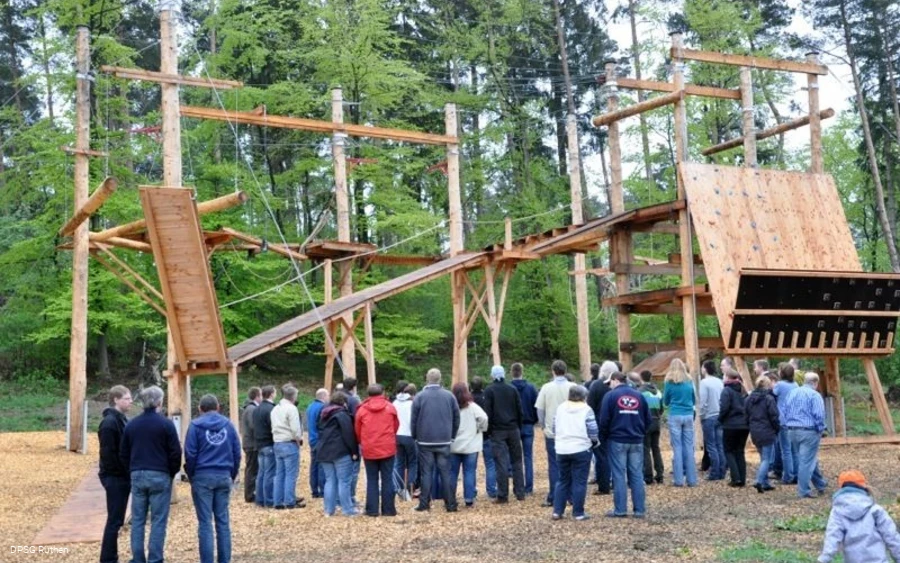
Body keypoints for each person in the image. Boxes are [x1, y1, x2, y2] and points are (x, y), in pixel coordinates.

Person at [119, 386, 181, 563]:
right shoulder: (166, 424)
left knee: (137, 519)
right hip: (160, 474)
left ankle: (138, 558)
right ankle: (155, 558)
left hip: (138, 473)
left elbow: (123, 453)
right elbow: (175, 452)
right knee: (158, 520)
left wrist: (131, 469)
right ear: (159, 402)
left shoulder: (132, 424)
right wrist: (171, 472)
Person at [184, 394, 241, 563]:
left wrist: (192, 475)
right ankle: (225, 560)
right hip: (223, 474)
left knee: (205, 523)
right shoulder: (228, 425)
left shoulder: (195, 426)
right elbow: (237, 452)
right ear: (218, 407)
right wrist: (231, 473)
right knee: (223, 521)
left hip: (202, 475)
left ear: (200, 409)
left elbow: (190, 453)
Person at [818, 470, 900, 563]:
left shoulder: (837, 512)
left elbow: (832, 537)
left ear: (841, 488)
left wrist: (824, 558)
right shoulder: (875, 509)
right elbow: (891, 536)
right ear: (863, 486)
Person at [600, 371, 651, 518]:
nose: (610, 385)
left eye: (610, 382)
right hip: (636, 440)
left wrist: (603, 438)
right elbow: (648, 419)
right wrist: (640, 432)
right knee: (636, 475)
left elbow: (604, 420)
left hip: (617, 440)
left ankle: (620, 509)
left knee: (619, 475)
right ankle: (639, 510)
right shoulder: (639, 395)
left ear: (616, 380)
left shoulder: (610, 396)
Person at [411, 368, 460, 512]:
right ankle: (450, 504)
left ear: (427, 379)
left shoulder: (420, 396)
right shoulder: (449, 396)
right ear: (440, 379)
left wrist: (415, 436)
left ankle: (424, 503)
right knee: (445, 472)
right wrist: (452, 435)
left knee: (426, 472)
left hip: (425, 440)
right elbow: (457, 417)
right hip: (444, 439)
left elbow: (413, 420)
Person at [550, 385, 598, 521]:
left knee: (562, 480)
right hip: (581, 448)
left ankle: (557, 511)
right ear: (584, 396)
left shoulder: (560, 408)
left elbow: (554, 428)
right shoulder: (586, 409)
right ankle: (578, 512)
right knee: (579, 481)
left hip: (562, 448)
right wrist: (594, 442)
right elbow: (593, 430)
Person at [98, 385, 132, 563]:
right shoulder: (110, 423)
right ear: (116, 400)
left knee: (116, 519)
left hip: (120, 476)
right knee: (114, 520)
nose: (130, 401)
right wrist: (122, 472)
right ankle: (108, 558)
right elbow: (108, 453)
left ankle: (110, 556)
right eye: (127, 398)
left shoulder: (121, 420)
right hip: (115, 477)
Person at [355, 384, 400, 517]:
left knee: (372, 479)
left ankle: (372, 510)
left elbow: (357, 430)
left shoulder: (362, 410)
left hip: (369, 448)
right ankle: (388, 510)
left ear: (368, 394)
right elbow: (396, 426)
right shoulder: (390, 407)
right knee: (387, 479)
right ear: (383, 392)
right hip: (387, 448)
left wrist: (362, 442)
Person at [536, 359, 577, 507]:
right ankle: (571, 496)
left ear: (553, 371)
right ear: (565, 371)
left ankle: (554, 496)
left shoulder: (546, 388)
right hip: (571, 431)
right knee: (572, 464)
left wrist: (543, 425)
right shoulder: (573, 387)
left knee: (554, 464)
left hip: (552, 432)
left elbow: (540, 409)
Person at [483, 365, 526, 503]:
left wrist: (488, 431)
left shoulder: (489, 391)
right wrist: (518, 427)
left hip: (498, 431)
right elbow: (520, 410)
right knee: (517, 461)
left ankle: (503, 494)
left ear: (492, 375)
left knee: (501, 463)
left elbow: (487, 413)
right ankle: (520, 492)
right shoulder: (512, 389)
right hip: (513, 429)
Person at [783, 372, 829, 498]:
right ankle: (803, 491)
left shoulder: (792, 393)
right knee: (806, 461)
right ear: (816, 382)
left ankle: (820, 484)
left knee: (806, 458)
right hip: (808, 431)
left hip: (792, 430)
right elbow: (819, 415)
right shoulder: (815, 395)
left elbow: (784, 410)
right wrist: (821, 429)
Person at [316, 391, 359, 517]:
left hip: (324, 451)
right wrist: (354, 452)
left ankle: (328, 510)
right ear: (343, 402)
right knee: (344, 481)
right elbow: (348, 435)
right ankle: (347, 509)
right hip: (340, 452)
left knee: (330, 481)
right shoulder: (342, 415)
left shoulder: (324, 414)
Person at [449, 382, 488, 508]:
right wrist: (480, 428)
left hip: (453, 445)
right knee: (469, 472)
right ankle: (469, 498)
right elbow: (484, 418)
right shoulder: (472, 407)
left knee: (452, 473)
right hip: (470, 445)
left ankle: (450, 498)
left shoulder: (450, 406)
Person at [663, 358, 697, 487]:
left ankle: (678, 480)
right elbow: (694, 400)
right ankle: (692, 480)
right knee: (689, 447)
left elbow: (665, 401)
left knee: (677, 447)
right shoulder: (689, 381)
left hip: (675, 414)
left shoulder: (669, 382)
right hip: (688, 414)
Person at [745, 376, 780, 493]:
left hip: (755, 431)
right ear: (768, 385)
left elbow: (746, 415)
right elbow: (774, 416)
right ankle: (759, 480)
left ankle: (765, 483)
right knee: (767, 459)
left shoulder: (749, 399)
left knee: (762, 457)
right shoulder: (769, 399)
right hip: (767, 431)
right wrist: (776, 429)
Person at [271, 384, 304, 509]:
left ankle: (277, 501)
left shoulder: (275, 409)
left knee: (279, 474)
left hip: (277, 442)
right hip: (289, 443)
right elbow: (295, 429)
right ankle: (290, 501)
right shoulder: (291, 409)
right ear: (294, 396)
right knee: (291, 474)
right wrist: (299, 439)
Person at [587, 360, 616, 496]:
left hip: (600, 425)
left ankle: (603, 485)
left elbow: (590, 406)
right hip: (616, 425)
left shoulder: (596, 386)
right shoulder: (618, 386)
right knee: (617, 456)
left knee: (601, 457)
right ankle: (617, 482)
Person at [509, 362, 538, 495]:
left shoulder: (508, 388)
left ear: (511, 372)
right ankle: (528, 487)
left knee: (514, 457)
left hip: (513, 426)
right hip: (527, 424)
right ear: (522, 372)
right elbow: (536, 406)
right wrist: (534, 420)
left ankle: (517, 486)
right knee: (528, 456)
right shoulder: (531, 388)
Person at [719, 368, 749, 487]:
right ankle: (742, 478)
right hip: (744, 425)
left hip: (730, 425)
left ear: (727, 378)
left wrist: (720, 419)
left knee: (729, 451)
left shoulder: (726, 391)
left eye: (724, 376)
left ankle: (735, 478)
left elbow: (724, 408)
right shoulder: (743, 391)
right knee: (740, 452)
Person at [699, 360, 726, 481]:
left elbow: (703, 401)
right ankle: (722, 470)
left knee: (711, 445)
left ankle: (714, 472)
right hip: (719, 415)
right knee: (720, 444)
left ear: (705, 369)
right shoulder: (720, 381)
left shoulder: (704, 383)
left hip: (709, 416)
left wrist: (701, 415)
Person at [471, 376, 497, 500]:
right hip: (486, 434)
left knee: (471, 466)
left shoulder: (468, 399)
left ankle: (472, 490)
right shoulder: (486, 397)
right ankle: (491, 490)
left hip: (472, 435)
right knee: (490, 463)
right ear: (482, 386)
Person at [774, 363, 799, 485]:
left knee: (785, 450)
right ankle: (796, 474)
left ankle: (788, 476)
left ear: (782, 373)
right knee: (794, 450)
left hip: (783, 420)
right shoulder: (796, 385)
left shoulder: (780, 385)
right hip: (794, 420)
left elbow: (772, 394)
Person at [638, 370, 664, 485]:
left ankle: (648, 476)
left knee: (645, 449)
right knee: (656, 448)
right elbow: (662, 408)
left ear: (641, 378)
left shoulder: (640, 392)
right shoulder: (658, 391)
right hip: (657, 421)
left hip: (646, 423)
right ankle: (660, 474)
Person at [253, 385, 277, 508]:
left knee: (261, 473)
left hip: (259, 444)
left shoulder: (256, 409)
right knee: (269, 473)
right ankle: (269, 499)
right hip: (269, 443)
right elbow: (272, 426)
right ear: (272, 394)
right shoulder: (271, 409)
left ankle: (260, 499)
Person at [393, 383, 418, 497]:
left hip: (397, 434)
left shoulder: (395, 403)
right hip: (409, 435)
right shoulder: (412, 403)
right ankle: (411, 486)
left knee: (399, 463)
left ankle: (400, 488)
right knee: (413, 462)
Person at [305, 388, 328, 499]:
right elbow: (322, 425)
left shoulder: (310, 406)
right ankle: (322, 489)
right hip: (319, 439)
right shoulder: (322, 407)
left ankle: (314, 490)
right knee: (321, 465)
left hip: (312, 439)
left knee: (313, 465)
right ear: (323, 396)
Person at [239, 387, 260, 503]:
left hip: (249, 443)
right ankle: (250, 494)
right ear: (257, 396)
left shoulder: (249, 408)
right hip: (252, 444)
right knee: (252, 469)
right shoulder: (252, 409)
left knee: (251, 468)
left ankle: (250, 493)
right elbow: (253, 426)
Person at [343, 377, 362, 505]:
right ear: (354, 387)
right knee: (353, 470)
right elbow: (358, 420)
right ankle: (350, 497)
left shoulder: (335, 398)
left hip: (338, 439)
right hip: (352, 438)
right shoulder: (353, 400)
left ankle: (340, 498)